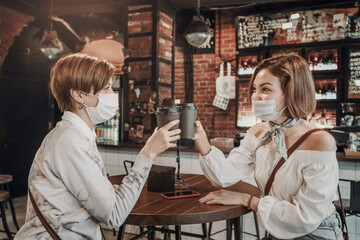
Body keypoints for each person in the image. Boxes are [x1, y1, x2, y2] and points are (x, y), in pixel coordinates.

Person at [14, 53, 180, 239]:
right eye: (107, 88)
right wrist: (148, 153)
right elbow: (114, 216)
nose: (113, 95)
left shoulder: (75, 135)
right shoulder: (70, 141)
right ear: (79, 95)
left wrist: (106, 192)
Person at [195, 54, 343, 239]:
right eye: (255, 89)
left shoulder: (319, 141)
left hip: (316, 232)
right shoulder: (258, 132)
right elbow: (225, 175)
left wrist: (247, 200)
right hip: (276, 229)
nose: (256, 96)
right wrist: (202, 142)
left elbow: (305, 217)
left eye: (265, 89)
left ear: (291, 92)